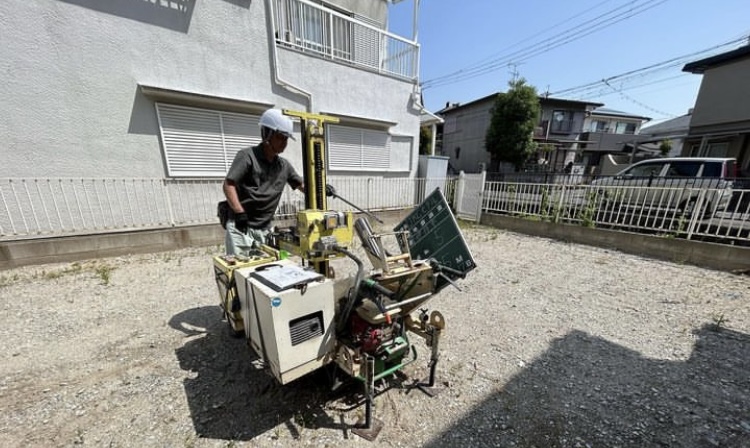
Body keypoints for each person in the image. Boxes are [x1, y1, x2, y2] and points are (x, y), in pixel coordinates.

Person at [223, 109, 305, 256]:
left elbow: (303, 186)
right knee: (241, 272)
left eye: (286, 139)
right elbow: (229, 185)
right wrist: (239, 212)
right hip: (241, 228)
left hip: (266, 229)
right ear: (267, 134)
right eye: (280, 137)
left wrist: (321, 188)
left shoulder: (283, 166)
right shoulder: (247, 156)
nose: (284, 143)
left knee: (266, 271)